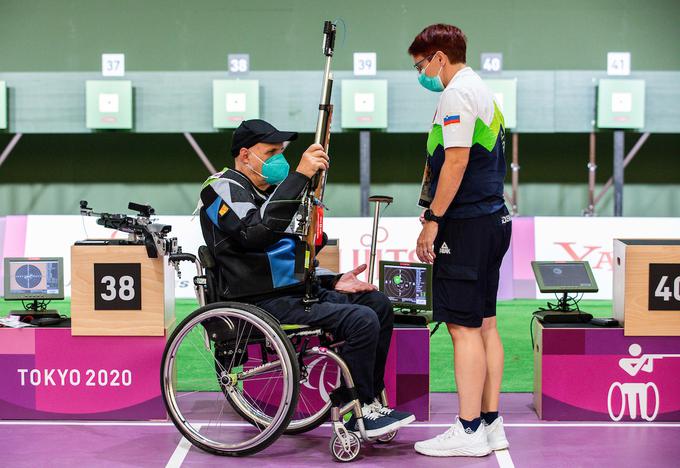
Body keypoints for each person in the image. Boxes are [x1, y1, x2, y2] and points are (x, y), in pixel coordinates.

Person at [199, 118, 414, 438]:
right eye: (271, 151)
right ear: (245, 155)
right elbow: (254, 234)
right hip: (257, 300)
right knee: (361, 320)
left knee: (377, 303)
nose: (279, 158)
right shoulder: (221, 186)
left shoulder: (274, 195)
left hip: (292, 291)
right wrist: (299, 175)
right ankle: (355, 409)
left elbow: (295, 255)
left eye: (281, 151)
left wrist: (333, 280)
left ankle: (368, 402)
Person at [407, 24, 512, 457]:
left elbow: (455, 162)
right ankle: (490, 425)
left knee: (462, 327)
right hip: (490, 220)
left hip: (467, 226)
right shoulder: (480, 90)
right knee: (485, 323)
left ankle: (468, 430)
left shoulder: (456, 93)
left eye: (420, 65)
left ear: (438, 58)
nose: (421, 73)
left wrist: (433, 218)